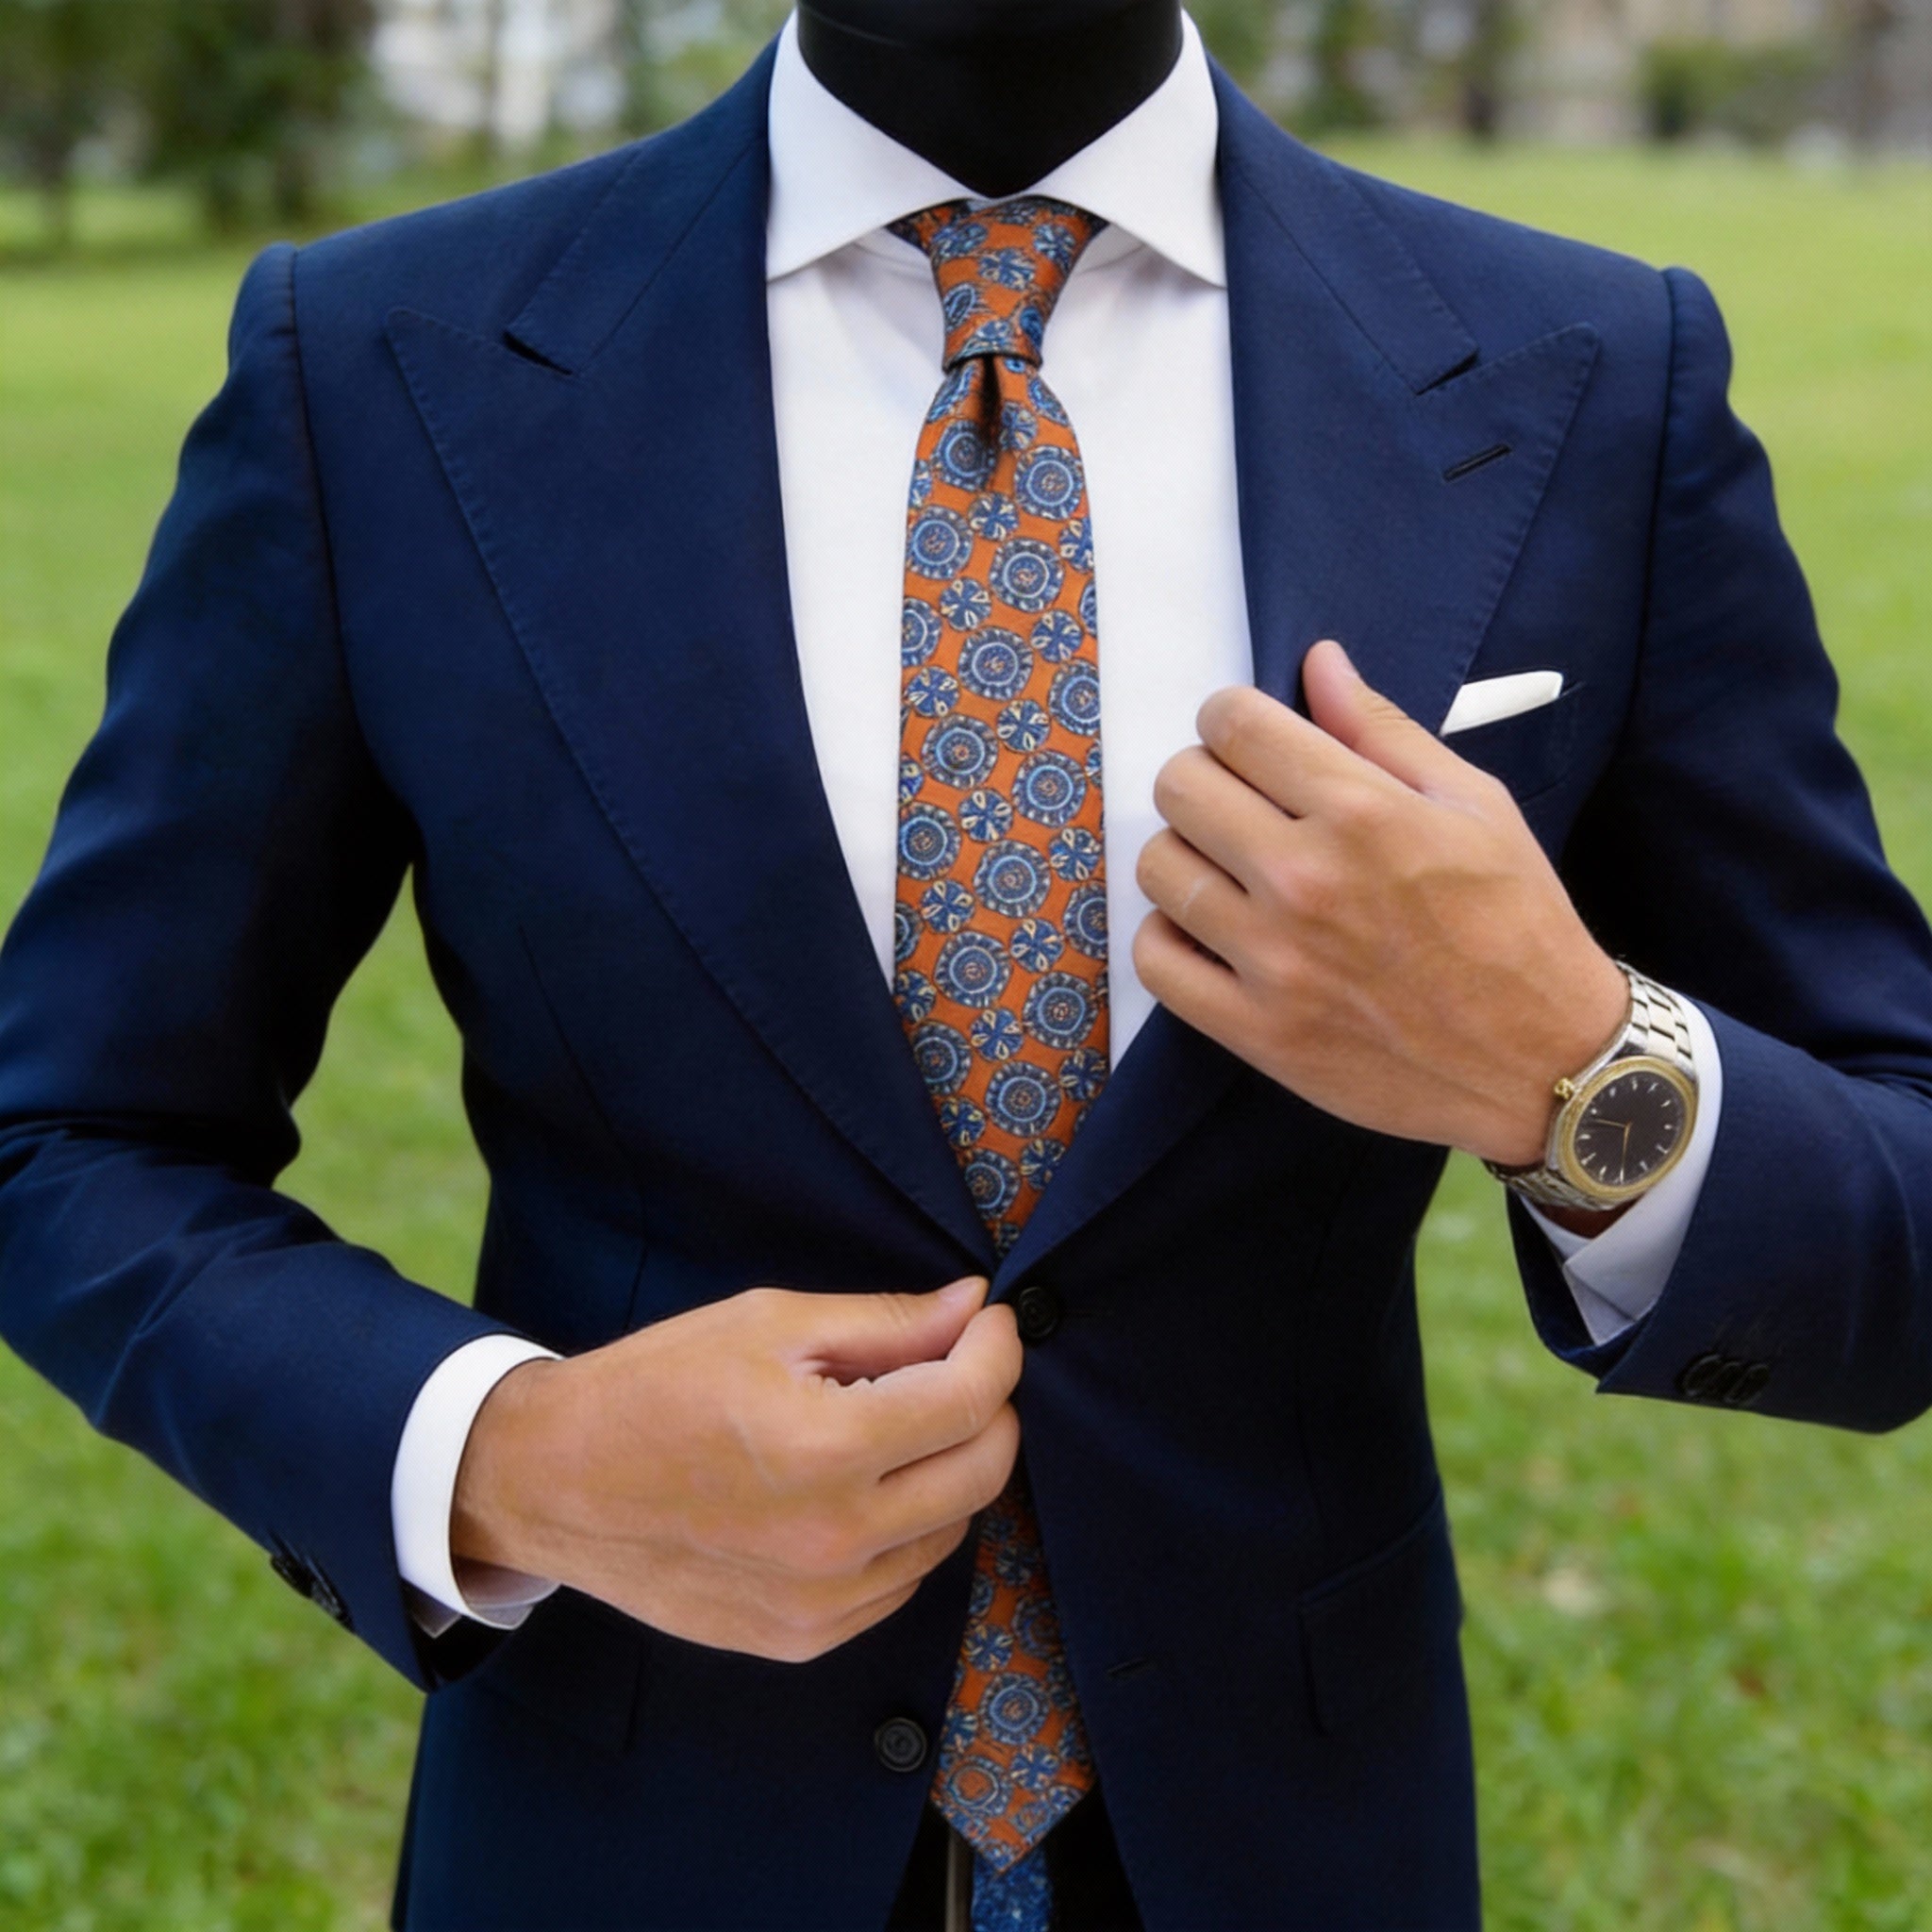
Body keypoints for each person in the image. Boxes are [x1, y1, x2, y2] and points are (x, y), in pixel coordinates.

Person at [2, 2, 1930, 1927]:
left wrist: (1572, 1071)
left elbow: (1898, 1208)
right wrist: (517, 1451)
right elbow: (68, 1129)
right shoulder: (378, 368)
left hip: (1287, 1834)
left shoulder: (1590, 375)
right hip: (628, 1831)